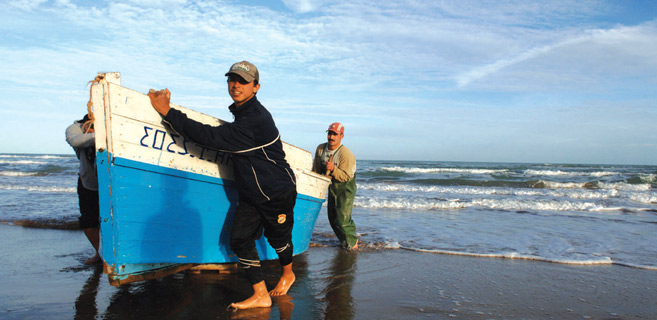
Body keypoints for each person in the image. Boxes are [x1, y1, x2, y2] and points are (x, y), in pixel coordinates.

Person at [148, 61, 298, 310]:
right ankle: (261, 294)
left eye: (243, 81)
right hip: (251, 192)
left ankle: (288, 274)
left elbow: (210, 137)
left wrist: (167, 112)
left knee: (278, 238)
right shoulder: (242, 115)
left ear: (256, 87)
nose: (235, 84)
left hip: (275, 192)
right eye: (232, 79)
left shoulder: (256, 120)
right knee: (239, 240)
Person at [312, 122, 358, 250]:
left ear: (341, 136)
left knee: (343, 219)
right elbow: (316, 169)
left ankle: (352, 244)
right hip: (332, 186)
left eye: (335, 134)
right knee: (332, 218)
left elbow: (345, 177)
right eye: (330, 133)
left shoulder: (346, 154)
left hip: (345, 187)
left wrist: (333, 169)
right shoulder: (321, 149)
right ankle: (344, 241)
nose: (331, 137)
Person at [66, 114, 101, 264]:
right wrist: (101, 135)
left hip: (112, 183)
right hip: (88, 182)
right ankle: (99, 253)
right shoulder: (76, 128)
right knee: (88, 221)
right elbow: (75, 140)